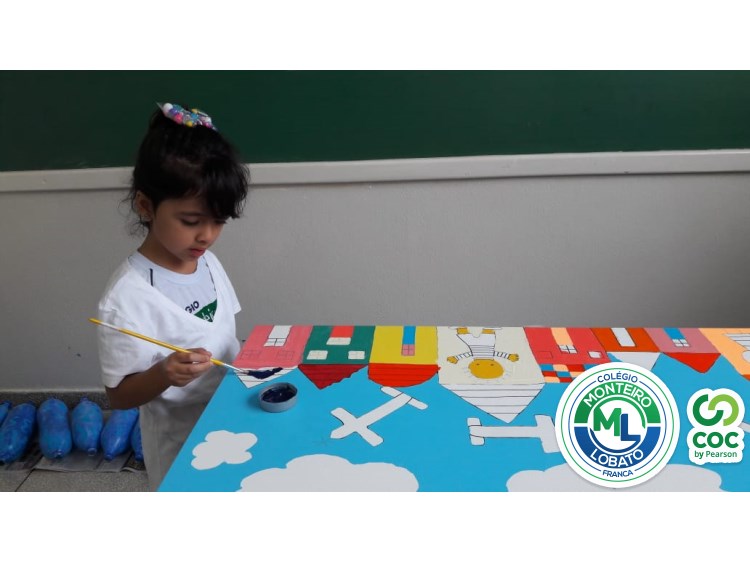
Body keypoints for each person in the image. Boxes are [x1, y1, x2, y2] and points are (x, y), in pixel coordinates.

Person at [95, 103, 249, 490]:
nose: (207, 235)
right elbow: (119, 396)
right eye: (191, 221)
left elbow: (222, 334)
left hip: (231, 420)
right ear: (145, 206)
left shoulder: (207, 262)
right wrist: (164, 372)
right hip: (180, 443)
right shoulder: (126, 298)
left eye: (219, 221)